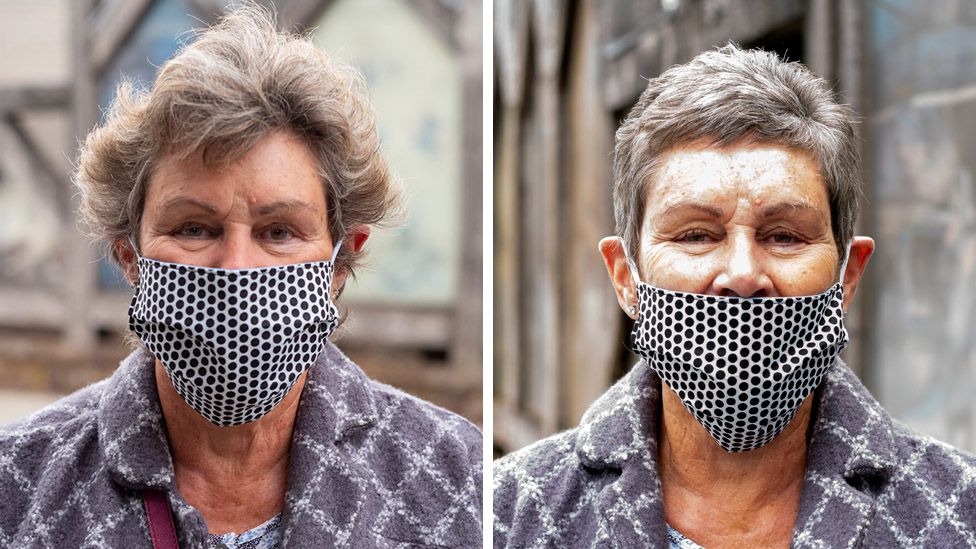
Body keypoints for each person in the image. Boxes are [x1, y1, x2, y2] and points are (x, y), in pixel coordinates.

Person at [0, 6, 481, 548]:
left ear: (343, 258)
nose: (236, 269)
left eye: (279, 232)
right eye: (193, 228)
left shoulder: (459, 481)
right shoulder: (17, 487)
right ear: (128, 255)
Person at [493, 44, 976, 548]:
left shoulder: (961, 511)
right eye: (696, 235)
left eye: (785, 236)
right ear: (625, 277)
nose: (743, 275)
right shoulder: (508, 513)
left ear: (848, 276)